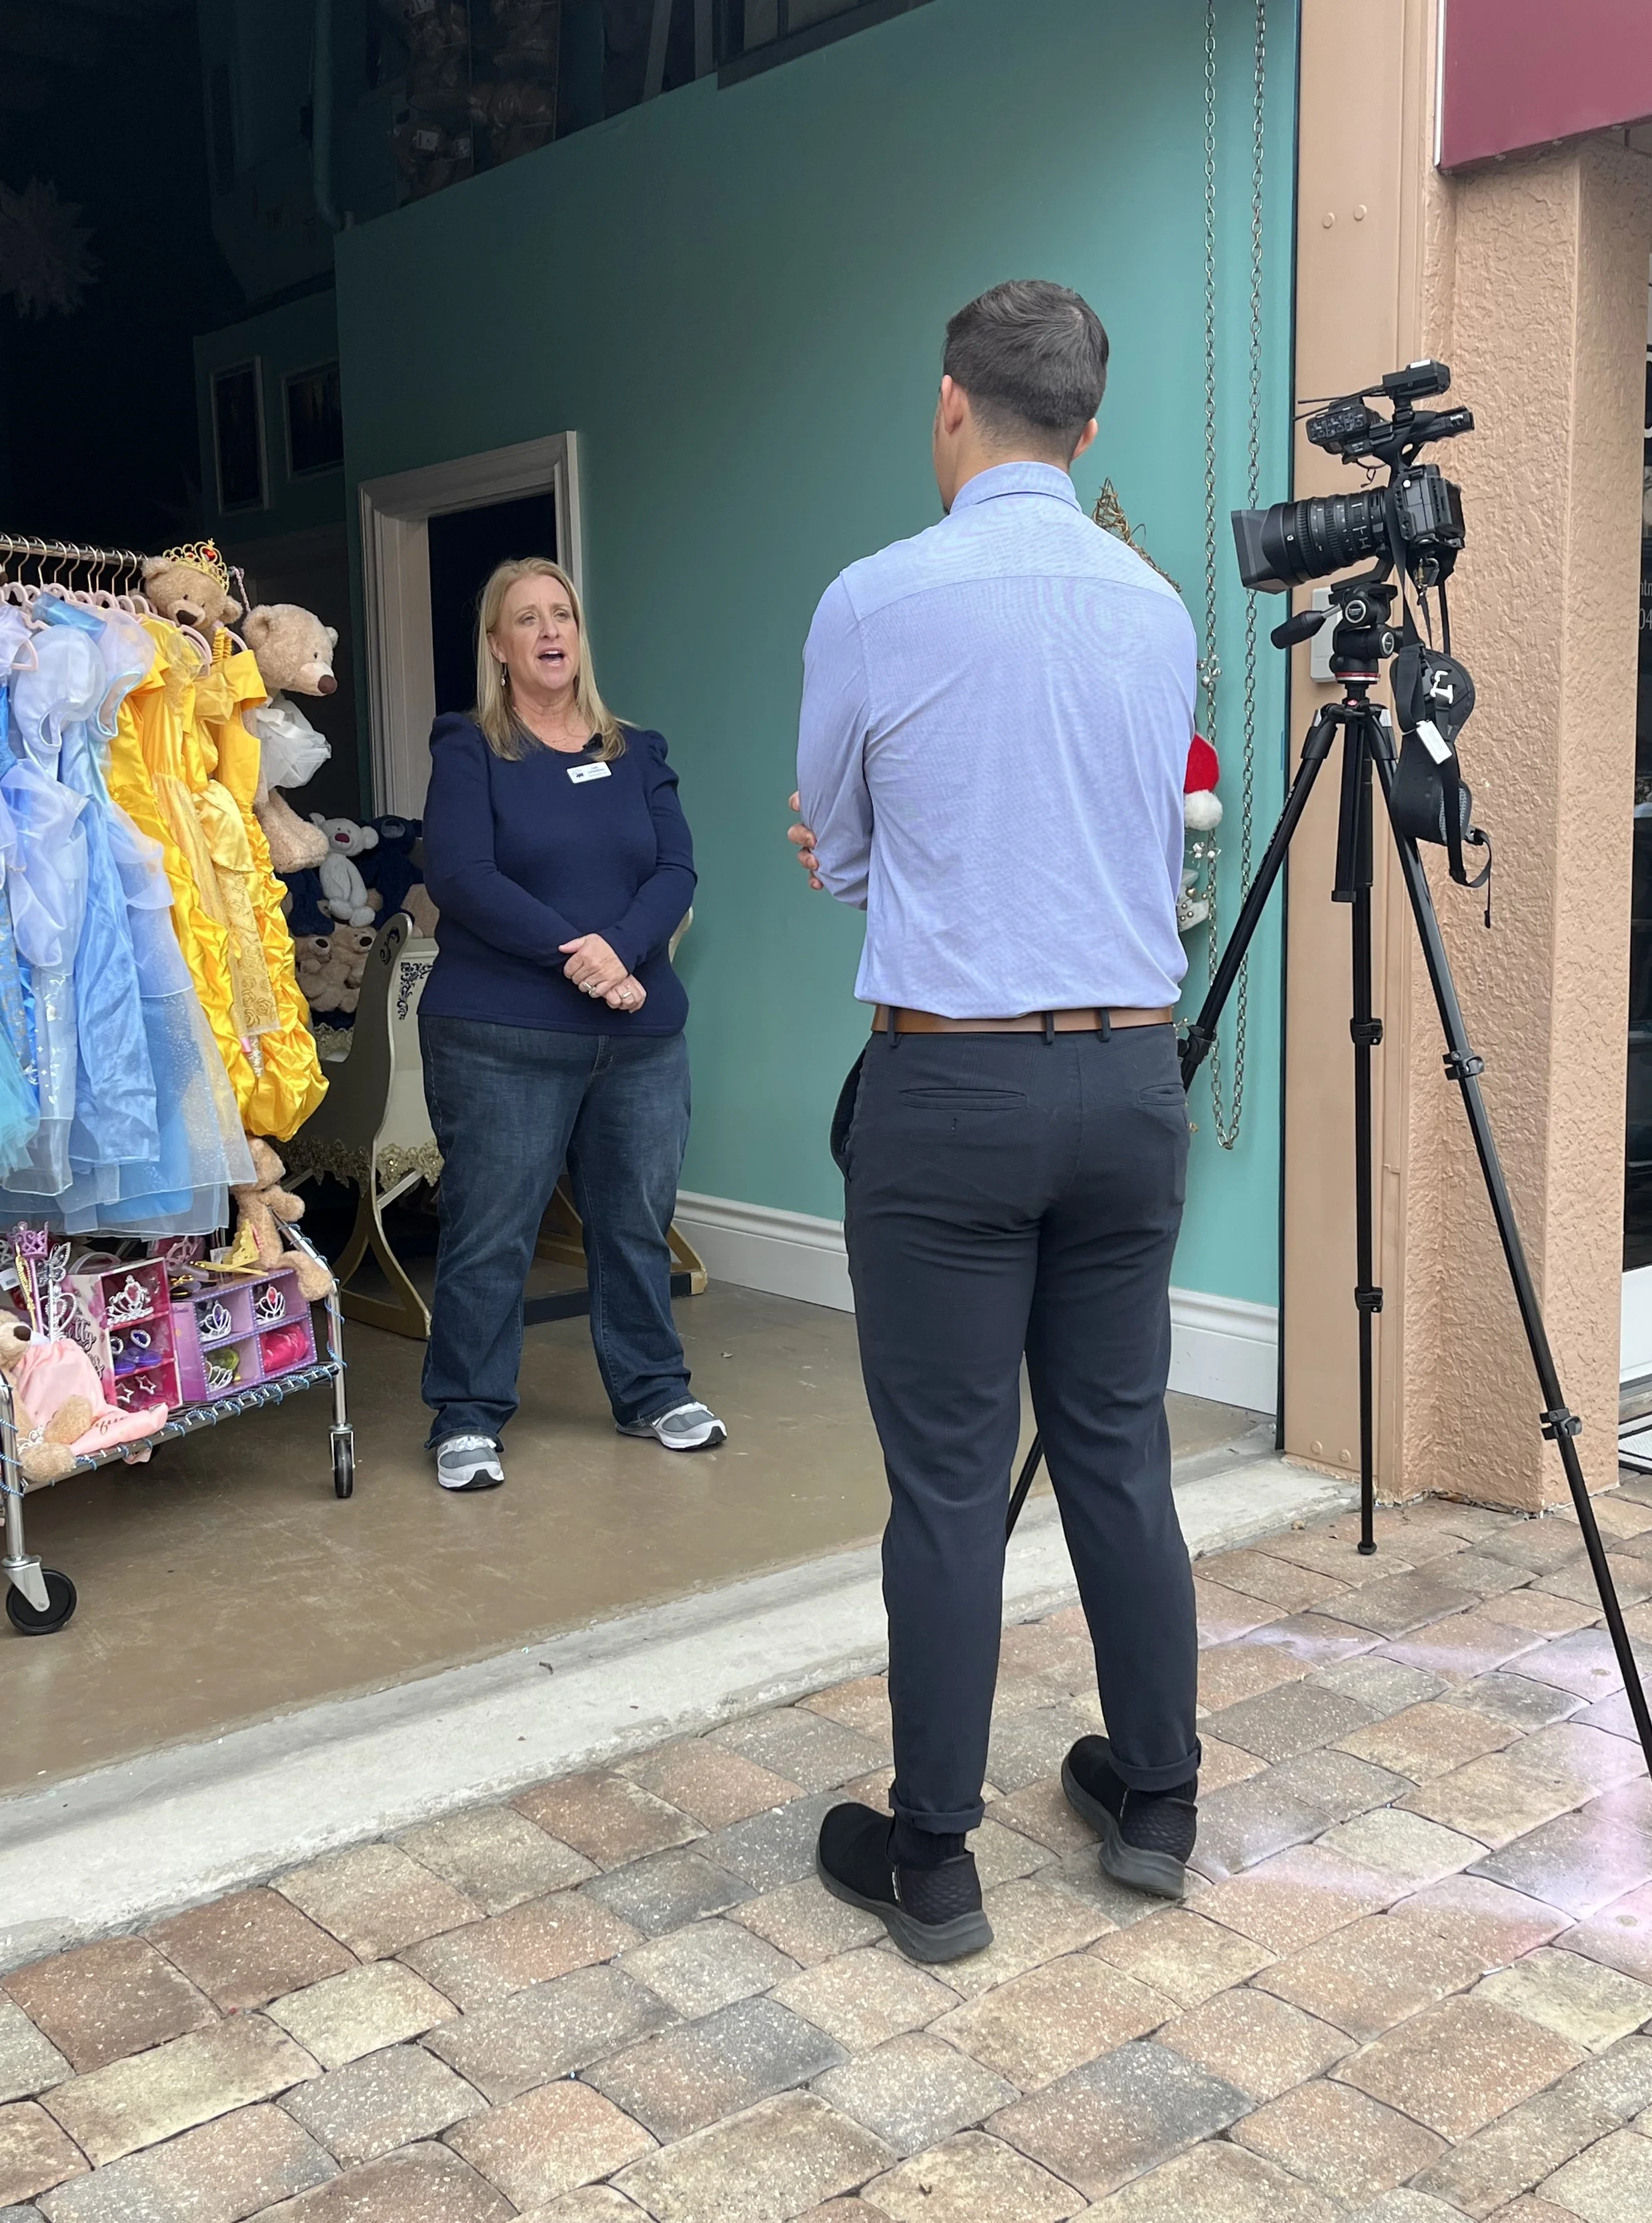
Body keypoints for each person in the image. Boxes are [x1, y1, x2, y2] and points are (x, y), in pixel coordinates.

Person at [791, 280, 1199, 1962]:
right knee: (1115, 1445)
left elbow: (838, 838)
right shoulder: (1151, 604)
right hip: (1126, 1077)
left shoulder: (875, 599)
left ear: (948, 404)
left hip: (950, 1082)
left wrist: (881, 867)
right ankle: (1156, 1798)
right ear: (1085, 426)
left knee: (951, 1484)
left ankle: (934, 1857)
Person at [419, 556, 725, 1491]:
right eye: (527, 619)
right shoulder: (470, 748)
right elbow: (462, 876)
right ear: (499, 646)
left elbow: (676, 870)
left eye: (564, 616)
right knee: (492, 1229)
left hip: (638, 1040)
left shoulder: (638, 751)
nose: (550, 632)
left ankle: (651, 1391)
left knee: (636, 1222)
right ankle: (466, 1414)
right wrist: (578, 954)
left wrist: (619, 952)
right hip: (501, 1040)